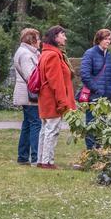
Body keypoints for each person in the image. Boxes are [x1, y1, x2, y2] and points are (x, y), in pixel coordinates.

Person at [37, 26, 76, 169]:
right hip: (52, 99)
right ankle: (47, 161)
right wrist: (62, 102)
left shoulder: (46, 53)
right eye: (62, 35)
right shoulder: (53, 55)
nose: (65, 38)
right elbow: (56, 82)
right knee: (52, 130)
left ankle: (41, 160)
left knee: (45, 129)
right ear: (55, 37)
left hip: (46, 98)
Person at [79, 29, 111, 149]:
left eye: (109, 39)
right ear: (99, 40)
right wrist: (96, 89)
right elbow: (85, 75)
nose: (108, 41)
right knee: (91, 123)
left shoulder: (109, 55)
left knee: (102, 123)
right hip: (93, 95)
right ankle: (91, 150)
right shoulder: (90, 53)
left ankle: (99, 149)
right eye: (105, 39)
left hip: (106, 97)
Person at [13, 28, 42, 166]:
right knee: (36, 123)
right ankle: (35, 157)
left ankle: (23, 156)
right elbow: (31, 76)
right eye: (38, 38)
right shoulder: (26, 54)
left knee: (27, 125)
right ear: (32, 40)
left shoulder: (28, 52)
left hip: (27, 94)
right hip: (30, 95)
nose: (40, 41)